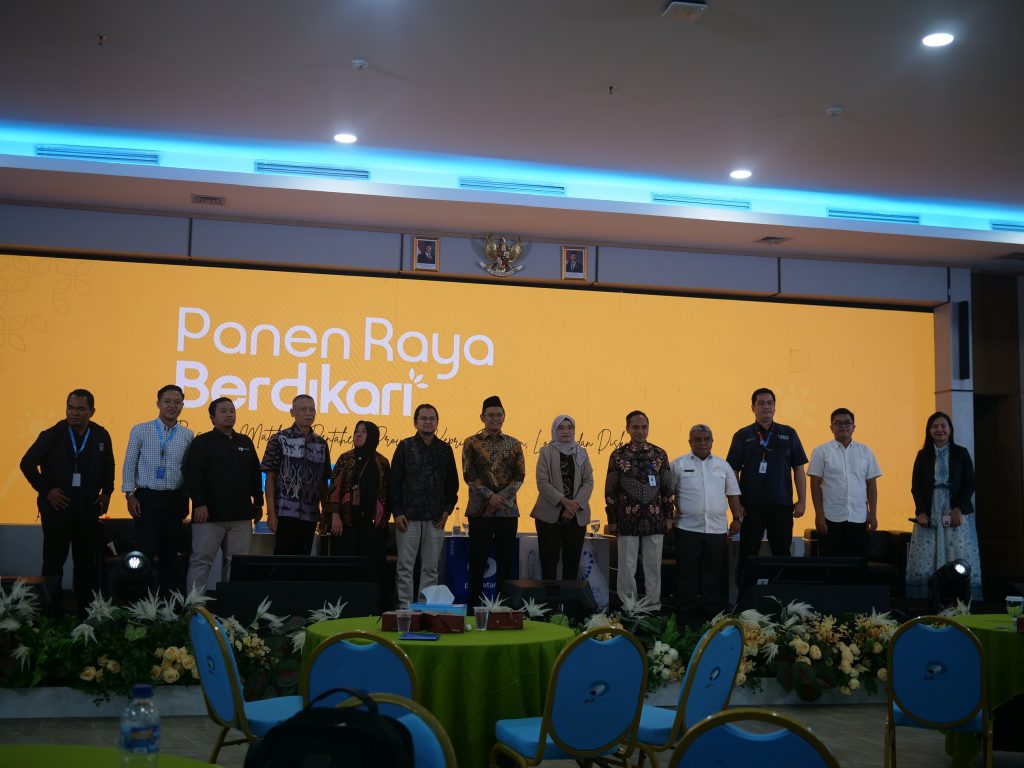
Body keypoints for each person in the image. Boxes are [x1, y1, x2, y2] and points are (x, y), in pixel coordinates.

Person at [20, 389, 114, 615]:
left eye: (80, 409)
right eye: (70, 408)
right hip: (57, 510)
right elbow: (27, 464)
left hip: (87, 510)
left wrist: (107, 493)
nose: (74, 413)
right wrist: (47, 490)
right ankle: (51, 614)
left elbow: (109, 465)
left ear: (92, 411)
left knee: (86, 565)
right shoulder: (52, 435)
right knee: (53, 563)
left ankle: (85, 614)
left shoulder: (101, 435)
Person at [726, 387, 808, 583]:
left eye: (770, 403)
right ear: (753, 407)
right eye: (761, 403)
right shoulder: (742, 435)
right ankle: (745, 597)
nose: (766, 407)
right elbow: (732, 472)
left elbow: (798, 468)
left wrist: (802, 501)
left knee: (782, 554)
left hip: (781, 505)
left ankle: (782, 597)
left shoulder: (788, 433)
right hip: (751, 507)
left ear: (775, 407)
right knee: (748, 554)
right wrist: (737, 505)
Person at [184, 397, 263, 594]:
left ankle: (231, 607)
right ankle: (194, 606)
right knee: (201, 561)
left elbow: (255, 473)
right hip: (209, 515)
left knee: (237, 564)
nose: (229, 415)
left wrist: (258, 502)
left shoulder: (245, 441)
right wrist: (199, 503)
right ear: (212, 417)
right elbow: (193, 475)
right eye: (223, 411)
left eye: (232, 411)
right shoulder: (202, 442)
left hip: (241, 516)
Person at [122, 384, 194, 593]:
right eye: (167, 401)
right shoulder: (140, 430)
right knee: (145, 552)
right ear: (158, 403)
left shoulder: (187, 435)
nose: (172, 406)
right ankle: (141, 600)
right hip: (147, 498)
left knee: (170, 554)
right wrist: (130, 495)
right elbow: (129, 463)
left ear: (182, 405)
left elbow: (188, 469)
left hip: (174, 499)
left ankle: (166, 603)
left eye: (177, 402)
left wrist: (186, 499)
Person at [671, 424, 742, 627]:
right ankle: (684, 619)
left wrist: (737, 519)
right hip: (686, 528)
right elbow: (666, 495)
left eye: (706, 439)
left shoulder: (723, 466)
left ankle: (712, 618)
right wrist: (667, 518)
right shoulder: (677, 465)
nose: (702, 443)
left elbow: (733, 494)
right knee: (687, 575)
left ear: (712, 441)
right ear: (690, 442)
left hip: (717, 530)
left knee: (713, 574)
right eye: (698, 439)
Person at [905, 411, 981, 599]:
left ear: (950, 429)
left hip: (955, 511)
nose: (939, 429)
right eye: (935, 426)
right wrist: (921, 512)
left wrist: (958, 508)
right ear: (929, 430)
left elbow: (970, 483)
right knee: (928, 552)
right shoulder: (922, 455)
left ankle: (959, 598)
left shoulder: (961, 453)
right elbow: (916, 487)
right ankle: (928, 597)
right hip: (930, 512)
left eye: (943, 426)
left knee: (956, 550)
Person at [390, 404, 459, 608]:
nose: (428, 422)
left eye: (432, 419)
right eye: (423, 418)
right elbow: (394, 483)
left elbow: (453, 485)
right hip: (407, 518)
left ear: (437, 423)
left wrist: (446, 511)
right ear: (415, 422)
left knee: (431, 568)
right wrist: (397, 512)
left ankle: (425, 609)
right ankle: (404, 609)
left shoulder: (445, 449)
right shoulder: (405, 446)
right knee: (405, 567)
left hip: (435, 518)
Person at [605, 410, 674, 609]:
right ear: (627, 429)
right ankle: (629, 606)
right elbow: (610, 489)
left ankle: (652, 605)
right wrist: (612, 519)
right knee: (627, 566)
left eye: (644, 427)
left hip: (655, 518)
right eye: (635, 427)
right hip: (627, 519)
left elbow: (667, 488)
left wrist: (669, 516)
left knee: (653, 565)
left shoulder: (660, 454)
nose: (640, 431)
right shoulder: (618, 455)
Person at [462, 395, 526, 606]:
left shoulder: (514, 444)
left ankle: (503, 610)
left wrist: (502, 497)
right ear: (482, 417)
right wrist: (490, 496)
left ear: (504, 416)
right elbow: (469, 475)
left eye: (499, 414)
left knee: (506, 563)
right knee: (477, 561)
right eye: (490, 415)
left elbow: (519, 476)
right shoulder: (471, 443)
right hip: (480, 511)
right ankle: (474, 610)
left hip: (507, 512)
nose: (495, 418)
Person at [325, 421, 391, 601]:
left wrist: (382, 522)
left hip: (372, 526)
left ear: (373, 436)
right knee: (345, 566)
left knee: (371, 567)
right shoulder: (345, 458)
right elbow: (335, 489)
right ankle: (341, 603)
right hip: (346, 524)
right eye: (356, 431)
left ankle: (369, 604)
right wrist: (335, 516)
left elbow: (386, 495)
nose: (359, 435)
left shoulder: (382, 462)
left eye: (364, 432)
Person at [260, 394, 332, 556]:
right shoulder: (279, 439)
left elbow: (323, 482)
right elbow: (270, 478)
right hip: (284, 512)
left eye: (312, 409)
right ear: (292, 412)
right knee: (282, 559)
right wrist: (271, 513)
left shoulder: (321, 444)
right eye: (303, 409)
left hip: (311, 513)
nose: (308, 413)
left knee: (302, 559)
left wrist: (325, 513)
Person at [807, 408, 882, 558]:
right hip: (830, 518)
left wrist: (873, 514)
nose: (843, 426)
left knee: (857, 563)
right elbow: (815, 485)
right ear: (831, 427)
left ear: (854, 427)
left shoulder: (866, 451)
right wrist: (819, 515)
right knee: (832, 562)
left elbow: (871, 486)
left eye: (847, 422)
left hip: (859, 517)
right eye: (838, 423)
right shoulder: (821, 451)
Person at [531, 414, 594, 581]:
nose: (566, 431)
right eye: (561, 428)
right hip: (549, 516)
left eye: (570, 427)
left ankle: (569, 598)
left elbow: (588, 481)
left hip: (576, 516)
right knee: (549, 563)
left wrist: (574, 506)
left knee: (572, 564)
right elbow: (542, 482)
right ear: (554, 430)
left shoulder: (582, 452)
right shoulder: (546, 452)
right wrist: (565, 502)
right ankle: (550, 598)